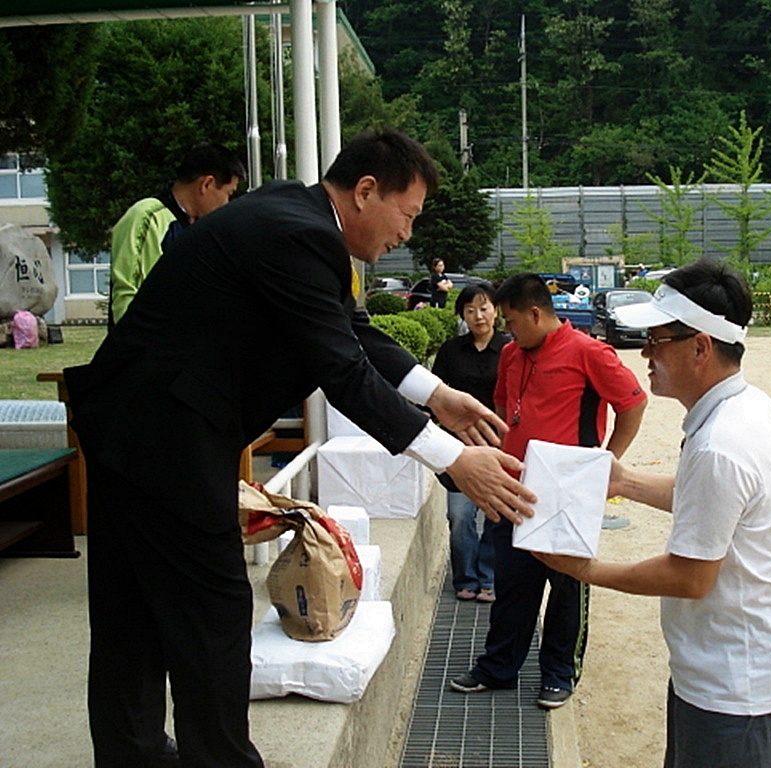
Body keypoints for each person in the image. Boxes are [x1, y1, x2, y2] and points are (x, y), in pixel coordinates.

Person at [64, 129, 536, 768]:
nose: (407, 234)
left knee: (131, 606)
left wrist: (438, 394)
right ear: (366, 192)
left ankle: (134, 752)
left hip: (132, 424)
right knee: (212, 611)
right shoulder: (300, 236)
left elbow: (352, 330)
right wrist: (452, 458)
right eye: (407, 214)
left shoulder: (296, 214)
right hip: (165, 439)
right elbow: (342, 371)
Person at [535, 259, 771, 768]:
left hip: (739, 689)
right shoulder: (748, 407)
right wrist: (624, 481)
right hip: (747, 673)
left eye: (656, 339)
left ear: (700, 347)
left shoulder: (721, 445)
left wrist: (583, 569)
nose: (645, 353)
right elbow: (712, 503)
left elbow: (689, 577)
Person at [449, 272, 647, 709]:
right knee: (512, 581)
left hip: (568, 492)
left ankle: (559, 672)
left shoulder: (589, 352)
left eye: (511, 320)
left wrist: (604, 465)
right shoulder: (512, 354)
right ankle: (498, 667)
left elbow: (633, 402)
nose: (506, 329)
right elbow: (504, 406)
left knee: (567, 584)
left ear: (536, 314)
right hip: (517, 486)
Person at [109, 142, 246, 326]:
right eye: (228, 193)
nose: (227, 203)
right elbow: (128, 298)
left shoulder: (201, 229)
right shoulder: (148, 217)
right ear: (207, 184)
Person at [431, 282, 510, 603]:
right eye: (470, 310)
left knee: (494, 514)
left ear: (496, 311)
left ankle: (489, 578)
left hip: (498, 443)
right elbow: (434, 395)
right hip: (457, 446)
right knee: (460, 515)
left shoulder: (510, 349)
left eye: (484, 308)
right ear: (462, 314)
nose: (478, 316)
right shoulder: (450, 350)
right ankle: (465, 577)